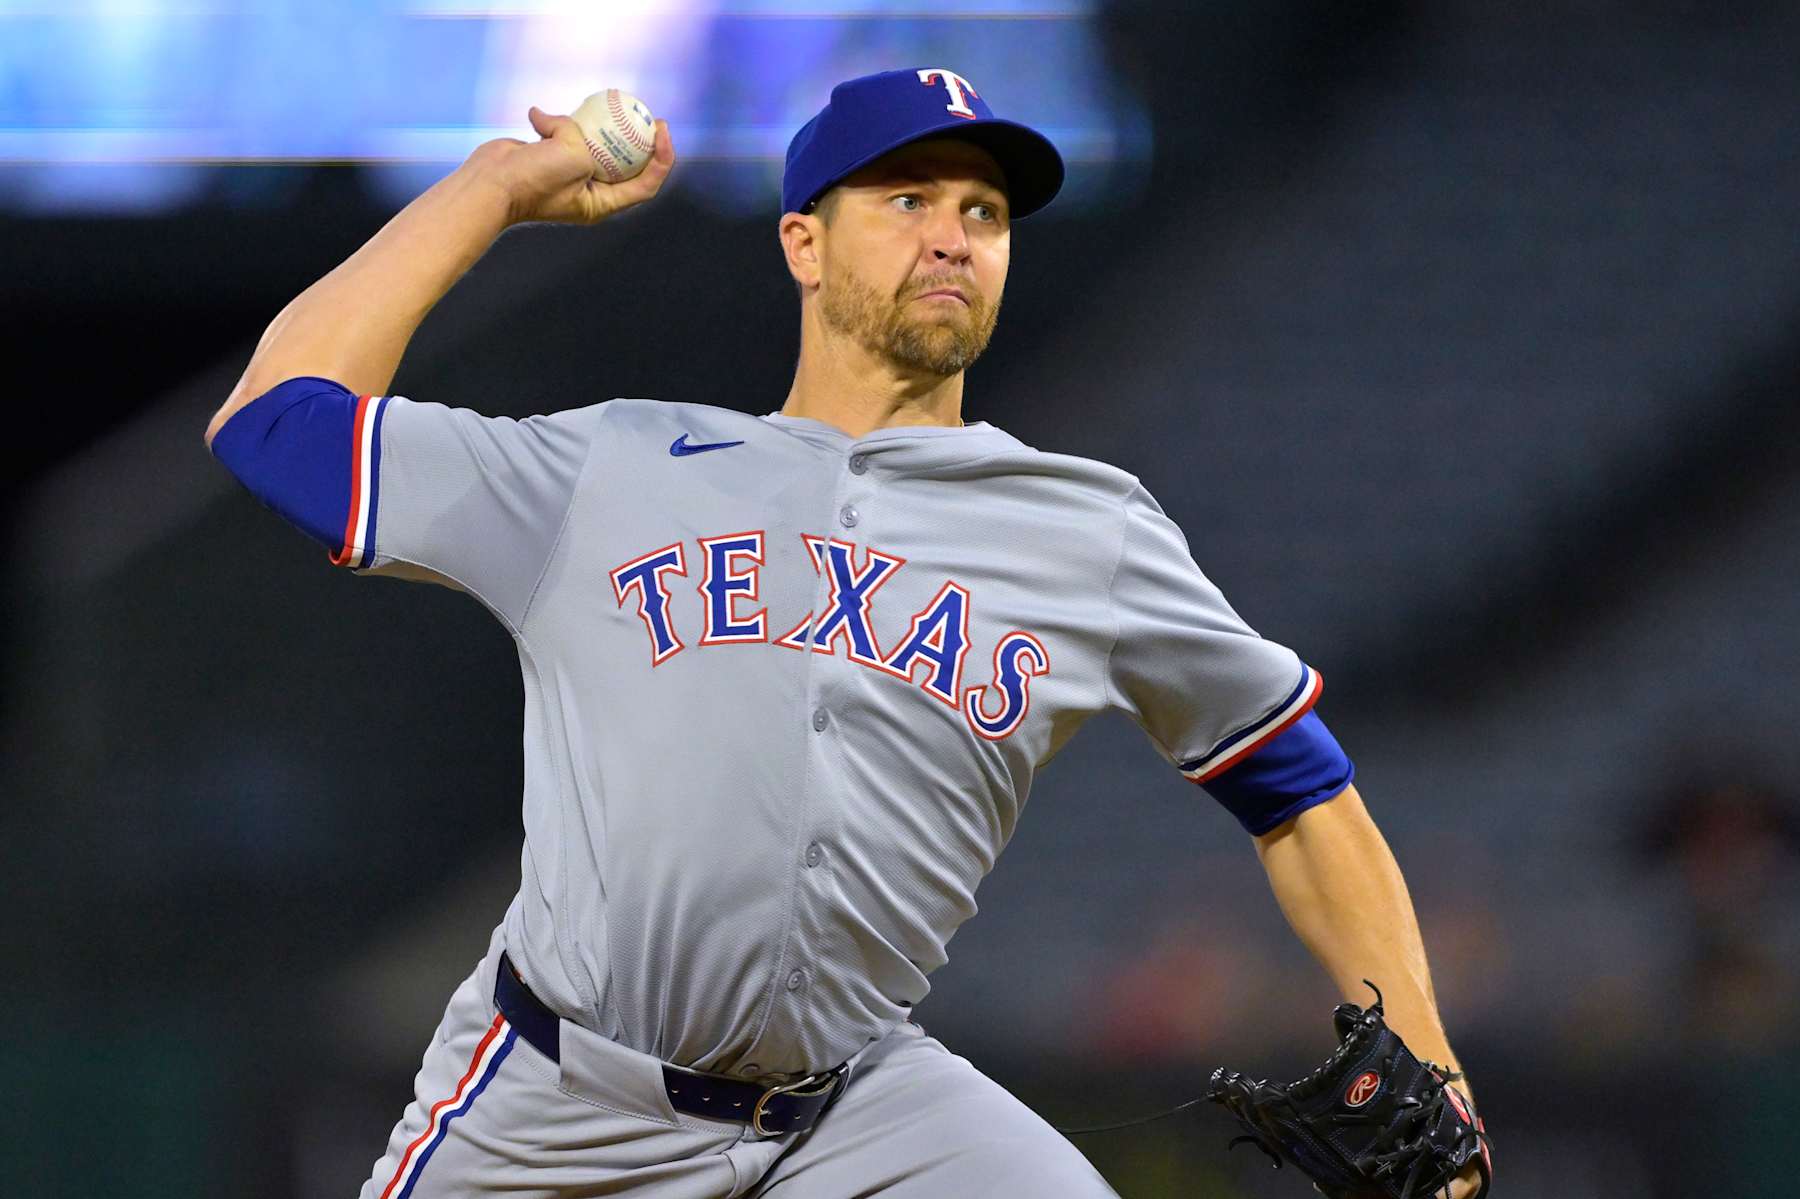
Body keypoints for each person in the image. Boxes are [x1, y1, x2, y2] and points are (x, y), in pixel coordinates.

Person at [205, 67, 1485, 1198]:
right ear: (804, 245)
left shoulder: (1087, 530)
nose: (954, 236)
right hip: (560, 1107)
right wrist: (489, 189)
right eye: (908, 200)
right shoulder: (612, 464)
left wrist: (1431, 1057)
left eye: (982, 213)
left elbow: (1301, 788)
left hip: (854, 1111)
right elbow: (274, 422)